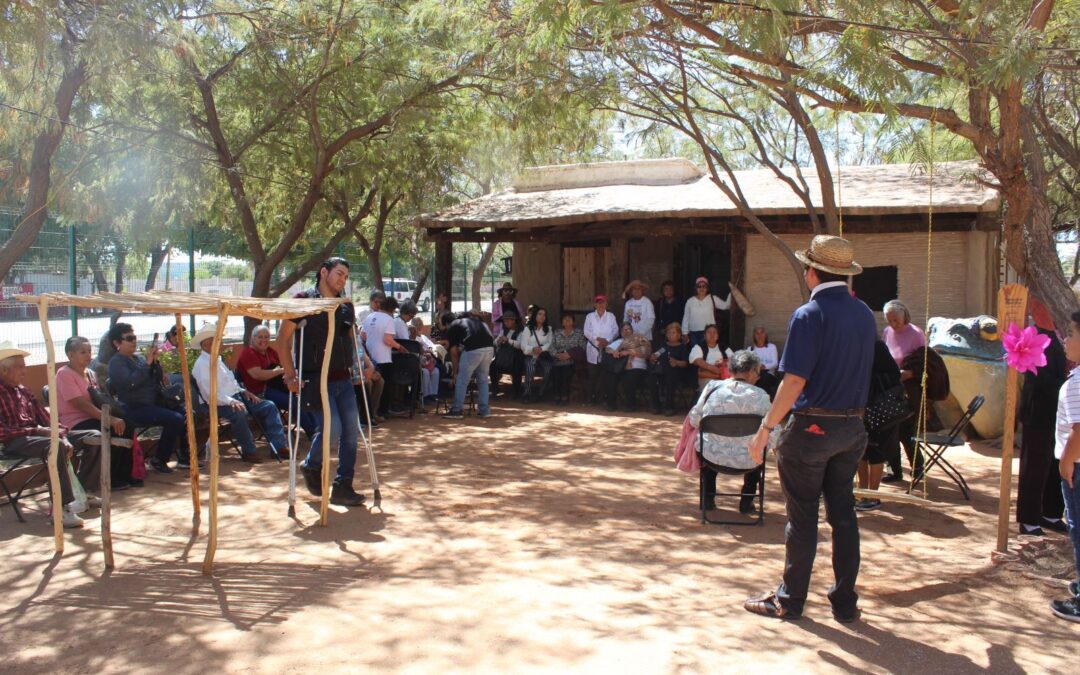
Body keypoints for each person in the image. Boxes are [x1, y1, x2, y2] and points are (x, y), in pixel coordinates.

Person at [744, 235, 875, 623]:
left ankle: (790, 599)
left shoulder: (808, 314)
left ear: (812, 271)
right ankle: (845, 601)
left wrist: (767, 427)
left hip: (812, 428)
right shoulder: (864, 313)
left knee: (802, 517)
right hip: (852, 428)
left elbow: (794, 381)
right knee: (844, 515)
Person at [274, 257, 365, 507]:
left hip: (343, 378)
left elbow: (351, 341)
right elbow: (282, 341)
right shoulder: (303, 301)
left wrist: (362, 367)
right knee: (332, 428)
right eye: (338, 273)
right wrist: (290, 375)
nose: (342, 279)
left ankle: (343, 485)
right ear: (323, 272)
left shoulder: (345, 306)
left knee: (350, 434)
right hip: (316, 379)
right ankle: (312, 464)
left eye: (346, 276)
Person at [0, 341, 102, 528]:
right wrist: (40, 432)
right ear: (4, 371)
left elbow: (46, 418)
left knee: (95, 437)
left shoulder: (24, 391)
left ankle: (86, 489)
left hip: (40, 436)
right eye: (19, 368)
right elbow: (3, 431)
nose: (24, 372)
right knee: (56, 446)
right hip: (16, 440)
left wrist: (60, 434)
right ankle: (61, 507)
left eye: (24, 367)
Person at [688, 350, 777, 514]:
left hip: (712, 457)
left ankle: (707, 499)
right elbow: (774, 432)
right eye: (758, 372)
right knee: (757, 449)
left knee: (709, 442)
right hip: (749, 460)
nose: (758, 376)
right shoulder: (761, 396)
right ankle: (747, 500)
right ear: (750, 372)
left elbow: (694, 419)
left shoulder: (711, 388)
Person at [191, 323, 287, 464]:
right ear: (206, 344)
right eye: (217, 340)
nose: (221, 343)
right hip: (216, 402)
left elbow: (231, 383)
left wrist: (244, 391)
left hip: (236, 397)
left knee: (269, 406)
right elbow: (209, 394)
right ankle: (249, 451)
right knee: (239, 413)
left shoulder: (217, 359)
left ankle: (279, 447)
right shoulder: (202, 365)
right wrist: (231, 401)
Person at [108, 322, 191, 473]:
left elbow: (155, 379)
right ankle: (159, 459)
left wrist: (156, 364)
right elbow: (130, 383)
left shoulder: (138, 359)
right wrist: (147, 365)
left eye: (134, 337)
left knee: (186, 414)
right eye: (129, 338)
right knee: (175, 418)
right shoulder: (116, 363)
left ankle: (185, 457)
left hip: (153, 403)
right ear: (116, 343)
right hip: (134, 407)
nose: (134, 340)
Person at [57, 336, 138, 490]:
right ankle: (109, 478)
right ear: (70, 354)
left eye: (89, 351)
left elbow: (100, 399)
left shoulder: (91, 373)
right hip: (75, 422)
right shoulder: (64, 374)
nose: (88, 356)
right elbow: (80, 404)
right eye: (83, 352)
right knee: (111, 428)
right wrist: (109, 419)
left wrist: (114, 417)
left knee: (127, 425)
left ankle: (123, 475)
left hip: (94, 417)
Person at [1017, 299, 1068, 535]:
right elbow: (1038, 378)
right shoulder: (1030, 336)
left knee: (1055, 463)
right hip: (1038, 410)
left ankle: (1050, 513)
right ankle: (1029, 519)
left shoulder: (1059, 334)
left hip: (1059, 412)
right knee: (1035, 465)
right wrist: (1068, 385)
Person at [1050, 310, 1080, 622]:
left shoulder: (1076, 383)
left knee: (1078, 528)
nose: (1066, 340)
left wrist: (1067, 462)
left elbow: (1079, 430)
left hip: (1077, 465)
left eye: (1071, 334)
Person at [237, 325, 318, 438]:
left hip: (276, 387)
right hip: (259, 393)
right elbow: (258, 375)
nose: (264, 340)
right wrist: (280, 371)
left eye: (267, 337)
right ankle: (313, 432)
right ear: (252, 338)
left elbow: (285, 367)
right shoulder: (248, 353)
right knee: (293, 401)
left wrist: (293, 378)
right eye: (260, 337)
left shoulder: (270, 352)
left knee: (303, 394)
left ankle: (318, 428)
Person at [881, 299, 928, 483]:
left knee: (906, 431)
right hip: (890, 387)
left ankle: (918, 466)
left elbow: (926, 364)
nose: (893, 324)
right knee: (889, 430)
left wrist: (910, 373)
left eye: (896, 320)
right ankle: (894, 470)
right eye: (889, 320)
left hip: (909, 388)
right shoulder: (886, 332)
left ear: (904, 315)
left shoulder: (916, 334)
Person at [855, 340, 903, 511]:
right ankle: (862, 492)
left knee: (876, 452)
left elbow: (892, 377)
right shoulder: (860, 348)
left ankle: (874, 495)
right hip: (863, 409)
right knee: (861, 451)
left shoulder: (874, 347)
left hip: (882, 411)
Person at [442, 311, 495, 419]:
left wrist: (455, 372)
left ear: (447, 324)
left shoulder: (453, 325)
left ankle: (456, 410)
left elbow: (453, 352)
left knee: (462, 380)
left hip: (473, 349)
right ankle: (484, 411)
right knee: (483, 380)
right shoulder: (476, 322)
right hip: (490, 348)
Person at [363, 296, 409, 419]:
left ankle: (371, 412)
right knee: (385, 385)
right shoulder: (389, 320)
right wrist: (399, 347)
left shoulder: (369, 317)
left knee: (374, 386)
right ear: (391, 309)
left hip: (370, 357)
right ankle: (382, 411)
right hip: (383, 357)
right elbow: (387, 340)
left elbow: (362, 336)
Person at [604, 322, 652, 411]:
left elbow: (647, 350)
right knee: (611, 376)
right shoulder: (620, 341)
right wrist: (614, 352)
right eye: (623, 330)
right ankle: (611, 404)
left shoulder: (639, 338)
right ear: (621, 333)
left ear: (632, 331)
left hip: (637, 367)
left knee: (629, 377)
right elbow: (607, 349)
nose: (626, 331)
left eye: (628, 329)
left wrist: (630, 352)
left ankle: (631, 405)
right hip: (622, 368)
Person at [584, 294, 619, 404]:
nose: (600, 305)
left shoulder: (611, 316)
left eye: (602, 302)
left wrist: (607, 340)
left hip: (607, 348)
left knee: (604, 374)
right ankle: (591, 397)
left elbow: (616, 331)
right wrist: (597, 340)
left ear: (606, 304)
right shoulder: (590, 316)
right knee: (592, 374)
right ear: (595, 304)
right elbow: (586, 332)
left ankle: (603, 397)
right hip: (593, 348)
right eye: (598, 303)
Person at [650, 322, 691, 416]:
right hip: (660, 372)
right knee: (652, 377)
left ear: (679, 335)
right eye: (668, 333)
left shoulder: (682, 347)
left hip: (676, 372)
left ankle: (669, 406)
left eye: (673, 333)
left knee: (670, 376)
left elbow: (685, 363)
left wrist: (676, 362)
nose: (670, 335)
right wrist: (652, 358)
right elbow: (655, 356)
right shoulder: (663, 345)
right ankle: (656, 405)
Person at [682, 276, 730, 348]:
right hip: (693, 333)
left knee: (707, 352)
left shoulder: (712, 298)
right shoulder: (690, 301)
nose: (701, 288)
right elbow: (686, 317)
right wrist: (684, 333)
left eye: (704, 286)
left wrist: (732, 293)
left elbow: (725, 306)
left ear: (707, 288)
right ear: (696, 288)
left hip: (709, 332)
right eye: (699, 286)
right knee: (695, 353)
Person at [549, 312, 586, 405]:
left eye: (569, 318)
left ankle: (564, 396)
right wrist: (557, 354)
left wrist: (569, 354)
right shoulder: (557, 333)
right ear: (562, 322)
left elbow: (583, 347)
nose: (567, 320)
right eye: (564, 318)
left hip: (572, 360)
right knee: (556, 373)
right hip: (558, 359)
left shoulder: (579, 333)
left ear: (573, 321)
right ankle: (557, 396)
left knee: (566, 373)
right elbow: (551, 347)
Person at [518, 306, 553, 402]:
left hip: (543, 356)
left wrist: (541, 349)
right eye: (539, 314)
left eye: (544, 315)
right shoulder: (528, 329)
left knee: (548, 369)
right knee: (530, 368)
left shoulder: (548, 329)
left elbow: (550, 343)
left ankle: (541, 393)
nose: (542, 316)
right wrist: (533, 349)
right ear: (535, 316)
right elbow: (523, 346)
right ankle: (527, 393)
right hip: (530, 355)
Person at [491, 311, 525, 397]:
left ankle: (516, 391)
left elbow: (521, 345)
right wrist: (498, 341)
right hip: (504, 356)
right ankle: (495, 389)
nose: (506, 323)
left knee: (516, 368)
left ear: (513, 320)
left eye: (508, 321)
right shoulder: (504, 330)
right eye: (505, 321)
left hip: (516, 356)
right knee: (493, 366)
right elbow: (495, 342)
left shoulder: (521, 330)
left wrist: (508, 340)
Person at [689, 324, 730, 389]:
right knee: (713, 387)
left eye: (714, 332)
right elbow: (698, 361)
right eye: (709, 332)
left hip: (723, 378)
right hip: (707, 379)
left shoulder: (724, 347)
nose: (712, 334)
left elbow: (733, 360)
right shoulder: (698, 347)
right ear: (704, 336)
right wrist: (713, 368)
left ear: (717, 336)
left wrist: (723, 363)